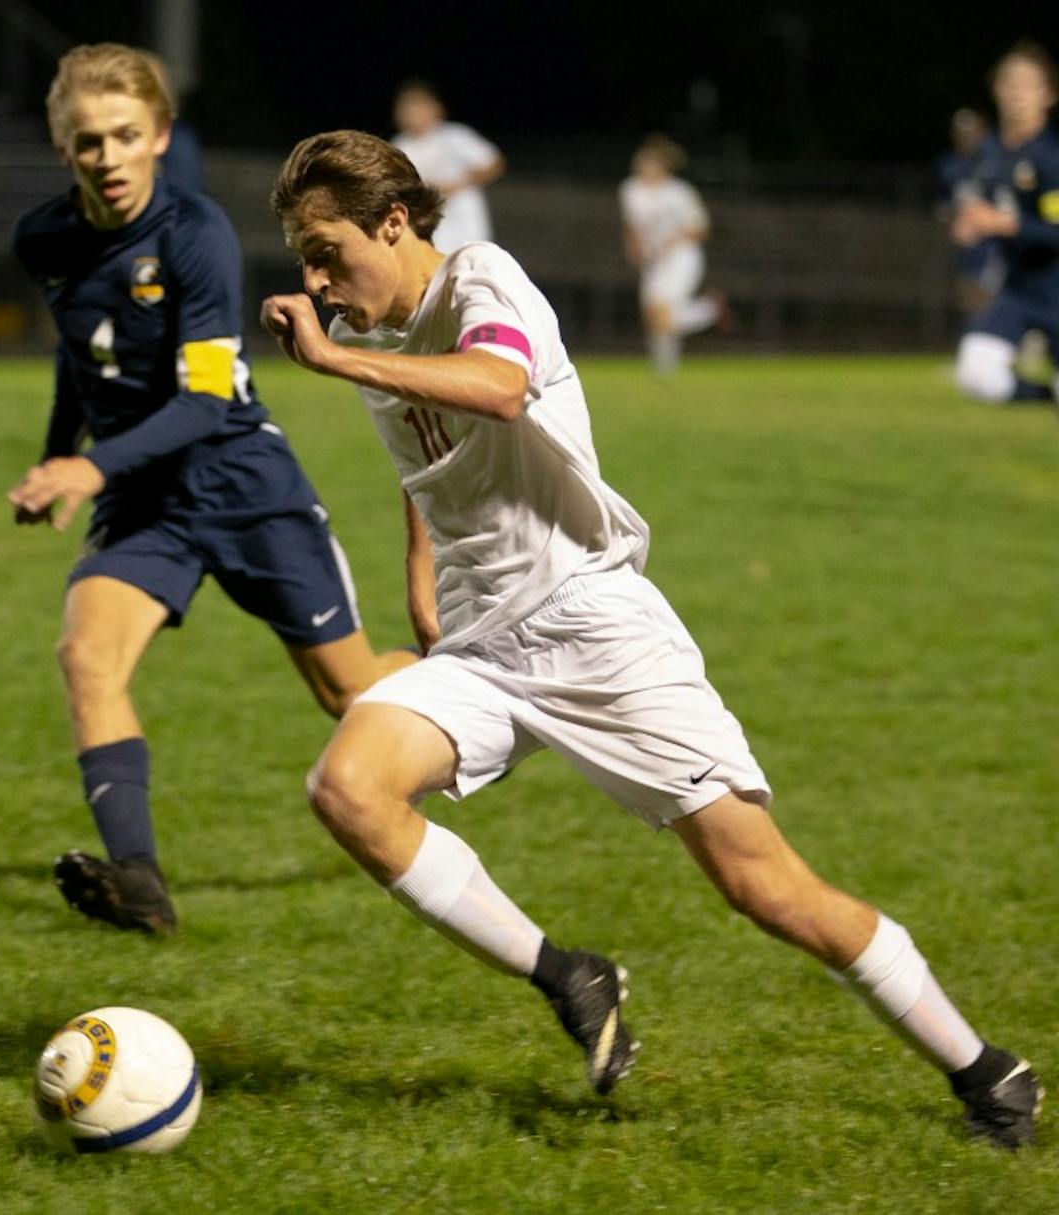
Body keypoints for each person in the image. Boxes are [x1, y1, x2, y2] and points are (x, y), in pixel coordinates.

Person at [258, 129, 1040, 1148]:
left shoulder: (484, 279)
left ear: (393, 222)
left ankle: (987, 1071)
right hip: (486, 649)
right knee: (348, 789)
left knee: (766, 888)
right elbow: (427, 455)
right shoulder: (376, 341)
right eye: (302, 260)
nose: (315, 280)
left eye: (326, 251)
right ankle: (568, 976)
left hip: (597, 632)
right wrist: (424, 581)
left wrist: (329, 357)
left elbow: (494, 387)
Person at [8, 44, 412, 936]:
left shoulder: (195, 235)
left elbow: (201, 402)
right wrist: (54, 456)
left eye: (125, 136)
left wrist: (87, 465)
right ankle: (141, 882)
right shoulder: (44, 240)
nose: (108, 157)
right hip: (142, 499)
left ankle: (483, 690)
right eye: (87, 142)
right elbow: (85, 359)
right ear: (63, 149)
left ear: (159, 136)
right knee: (87, 658)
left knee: (352, 696)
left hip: (238, 477)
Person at [952, 41, 1059, 405]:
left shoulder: (1052, 157)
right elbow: (985, 211)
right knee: (976, 372)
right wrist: (972, 226)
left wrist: (1005, 224)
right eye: (1008, 83)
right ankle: (1045, 396)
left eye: (1026, 84)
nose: (1016, 93)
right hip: (1019, 289)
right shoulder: (991, 154)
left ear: (1047, 95)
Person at [619, 134, 728, 379]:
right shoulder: (630, 190)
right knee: (653, 316)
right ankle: (666, 370)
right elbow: (631, 227)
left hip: (681, 258)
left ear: (663, 166)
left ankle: (709, 311)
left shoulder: (679, 192)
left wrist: (674, 238)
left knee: (662, 313)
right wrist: (633, 247)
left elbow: (701, 228)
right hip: (654, 261)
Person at [391, 80, 504, 254]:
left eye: (418, 106)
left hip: (465, 223)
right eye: (407, 108)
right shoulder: (400, 145)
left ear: (435, 108)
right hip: (428, 228)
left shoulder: (454, 136)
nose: (412, 113)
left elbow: (494, 164)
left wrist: (459, 183)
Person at [937, 107, 1004, 323]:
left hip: (997, 243)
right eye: (961, 132)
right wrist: (955, 222)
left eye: (972, 131)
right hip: (967, 246)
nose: (967, 137)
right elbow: (944, 206)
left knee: (990, 293)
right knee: (967, 295)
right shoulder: (950, 166)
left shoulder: (998, 161)